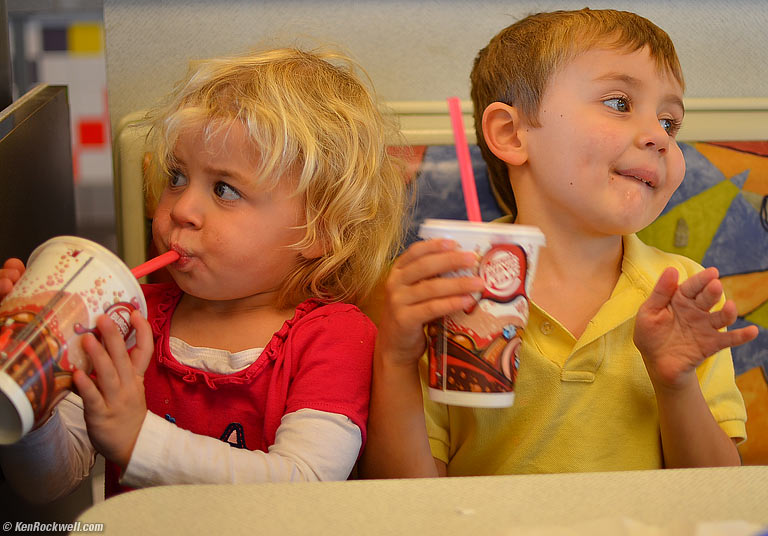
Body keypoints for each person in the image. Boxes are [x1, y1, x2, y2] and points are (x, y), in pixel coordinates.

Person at [360, 8, 759, 478]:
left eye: (671, 122)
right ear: (511, 134)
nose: (658, 137)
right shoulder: (443, 290)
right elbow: (406, 507)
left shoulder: (682, 292)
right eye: (618, 102)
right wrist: (395, 358)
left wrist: (676, 383)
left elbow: (714, 494)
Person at [0, 47, 407, 501]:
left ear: (319, 229)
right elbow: (46, 483)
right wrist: (29, 388)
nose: (182, 210)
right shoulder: (130, 317)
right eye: (177, 177)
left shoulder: (335, 338)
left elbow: (305, 487)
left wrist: (138, 440)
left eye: (224, 189)